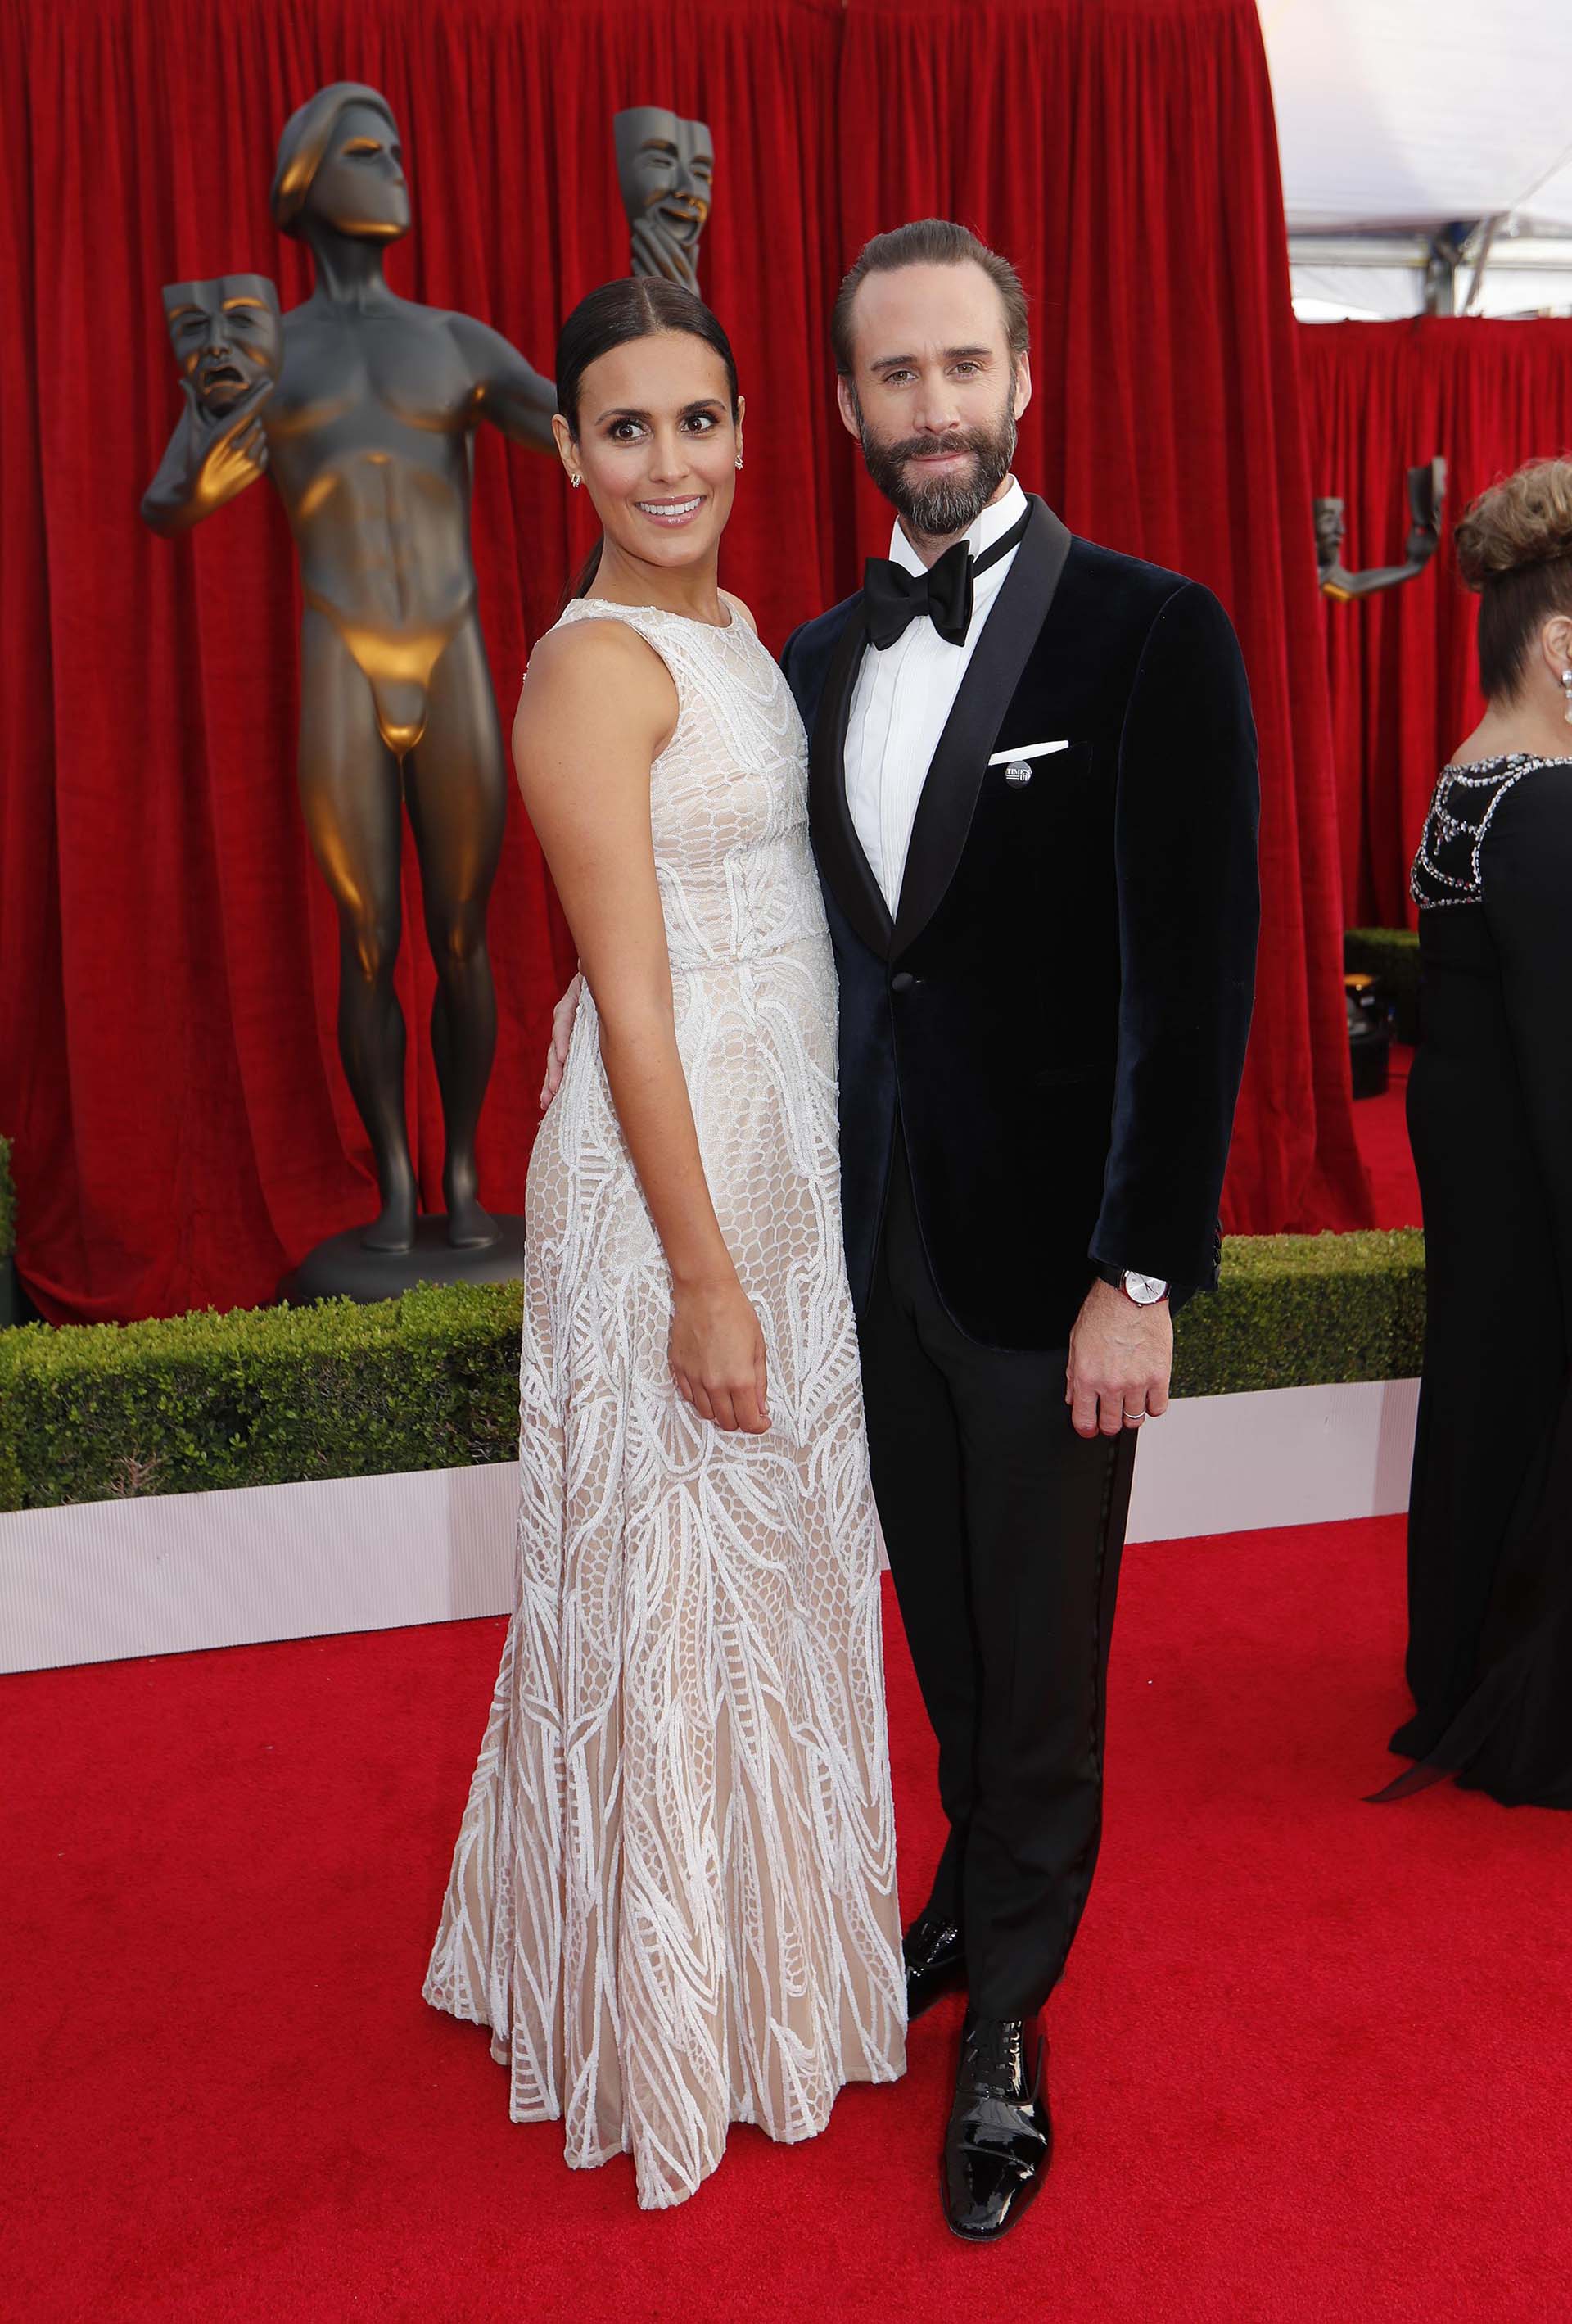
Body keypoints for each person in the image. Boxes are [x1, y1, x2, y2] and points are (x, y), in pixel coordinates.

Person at [545, 219, 1260, 2240]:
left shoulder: (1153, 631)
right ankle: (963, 1890)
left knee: (1042, 1661)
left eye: (963, 369)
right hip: (855, 1259)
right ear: (845, 408)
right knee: (942, 1626)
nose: (931, 409)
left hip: (1054, 1271)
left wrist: (1142, 1274)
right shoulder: (807, 661)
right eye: (893, 378)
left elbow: (1195, 983)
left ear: (1022, 378)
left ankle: (1013, 2019)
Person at [422, 278, 906, 2213]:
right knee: (677, 1573)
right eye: (627, 429)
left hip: (787, 1149)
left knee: (780, 1558)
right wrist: (705, 1275)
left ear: (744, 429)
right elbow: (629, 1005)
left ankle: (779, 1955)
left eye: (699, 419)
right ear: (567, 453)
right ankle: (681, 1999)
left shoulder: (742, 643)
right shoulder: (590, 669)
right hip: (671, 1170)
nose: (672, 460)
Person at [1380, 456, 1572, 1811]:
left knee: (1486, 1396)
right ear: (1562, 640)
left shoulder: (1477, 770)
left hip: (1488, 1172)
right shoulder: (1548, 800)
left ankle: (1463, 1657)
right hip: (1529, 1170)